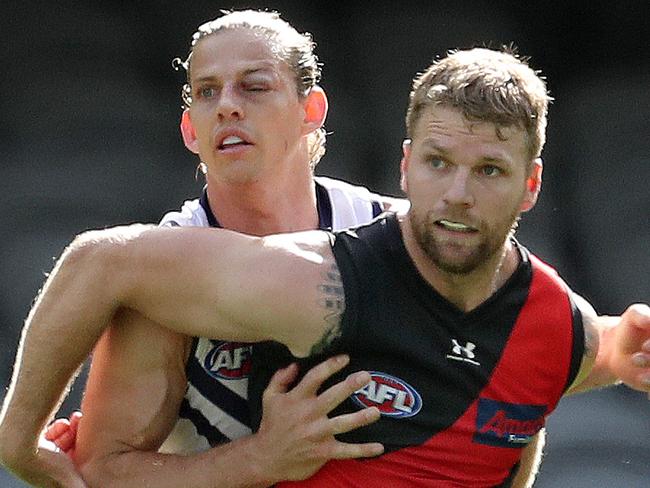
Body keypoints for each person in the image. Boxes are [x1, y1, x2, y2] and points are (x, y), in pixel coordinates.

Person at [2, 30, 638, 488]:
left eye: (254, 86)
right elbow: (102, 473)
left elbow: (519, 344)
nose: (228, 105)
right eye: (206, 92)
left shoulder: (407, 232)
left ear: (312, 111)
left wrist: (615, 347)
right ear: (189, 127)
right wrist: (21, 446)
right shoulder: (158, 276)